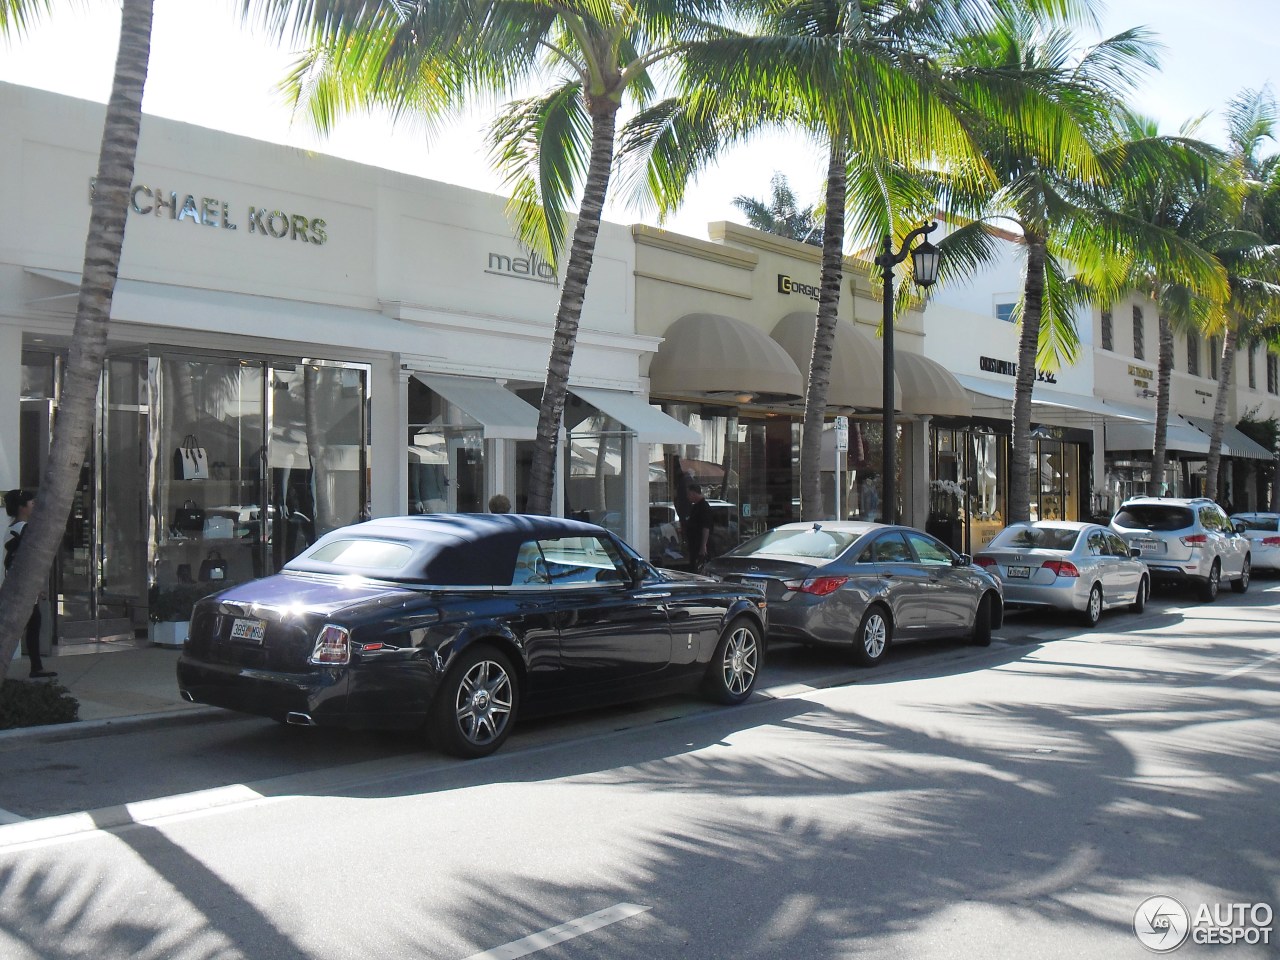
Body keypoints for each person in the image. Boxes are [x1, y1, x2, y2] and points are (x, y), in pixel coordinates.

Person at [4, 489, 56, 679]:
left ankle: (37, 666)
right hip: (21, 589)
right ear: (22, 507)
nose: (34, 505)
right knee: (27, 626)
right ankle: (36, 667)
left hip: (21, 588)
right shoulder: (21, 530)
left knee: (33, 624)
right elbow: (23, 561)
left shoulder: (15, 528)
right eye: (31, 503)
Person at [683, 484, 713, 573]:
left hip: (699, 544)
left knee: (699, 568)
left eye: (689, 494)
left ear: (693, 493)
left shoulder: (704, 507)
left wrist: (703, 546)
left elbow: (706, 527)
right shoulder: (695, 506)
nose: (688, 497)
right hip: (694, 544)